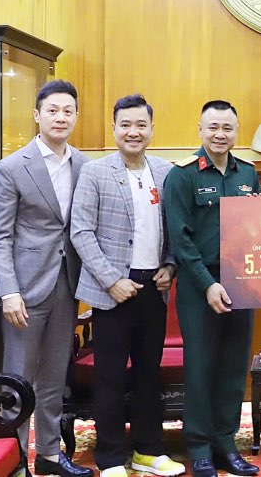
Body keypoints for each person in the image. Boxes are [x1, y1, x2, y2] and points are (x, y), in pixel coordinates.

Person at [70, 94, 184, 477]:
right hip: (112, 289)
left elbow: (175, 229)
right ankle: (111, 456)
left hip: (154, 286)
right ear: (114, 128)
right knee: (110, 375)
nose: (133, 132)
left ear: (152, 129)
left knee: (149, 373)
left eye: (141, 125)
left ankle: (149, 450)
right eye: (125, 125)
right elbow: (81, 231)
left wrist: (170, 265)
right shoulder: (95, 172)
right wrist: (111, 280)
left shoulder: (167, 172)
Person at [0, 80, 91, 477]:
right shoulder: (12, 167)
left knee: (53, 377)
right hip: (25, 289)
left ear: (76, 116)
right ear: (37, 115)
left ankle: (49, 456)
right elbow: (0, 236)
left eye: (68, 110)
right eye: (52, 110)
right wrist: (9, 291)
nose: (60, 117)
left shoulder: (85, 165)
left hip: (68, 284)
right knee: (18, 378)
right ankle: (14, 461)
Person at [164, 100, 261, 477]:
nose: (220, 135)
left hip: (242, 282)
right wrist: (207, 285)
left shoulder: (248, 173)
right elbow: (181, 239)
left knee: (234, 367)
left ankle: (226, 442)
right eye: (213, 128)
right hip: (198, 283)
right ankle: (200, 446)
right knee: (202, 368)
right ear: (200, 130)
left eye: (228, 129)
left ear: (237, 132)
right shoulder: (183, 175)